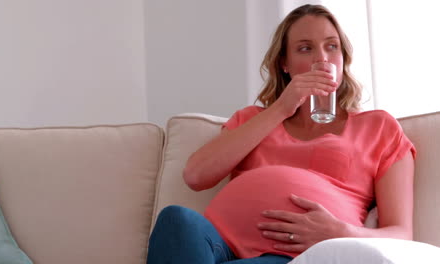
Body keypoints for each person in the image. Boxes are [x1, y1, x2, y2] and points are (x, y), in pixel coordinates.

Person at [147, 4, 416, 264]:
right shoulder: (253, 119)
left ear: (343, 59)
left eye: (332, 46)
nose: (321, 58)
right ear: (285, 63)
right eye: (305, 48)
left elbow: (401, 235)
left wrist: (341, 233)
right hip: (220, 247)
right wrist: (281, 108)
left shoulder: (378, 127)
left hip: (300, 256)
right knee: (175, 220)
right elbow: (195, 175)